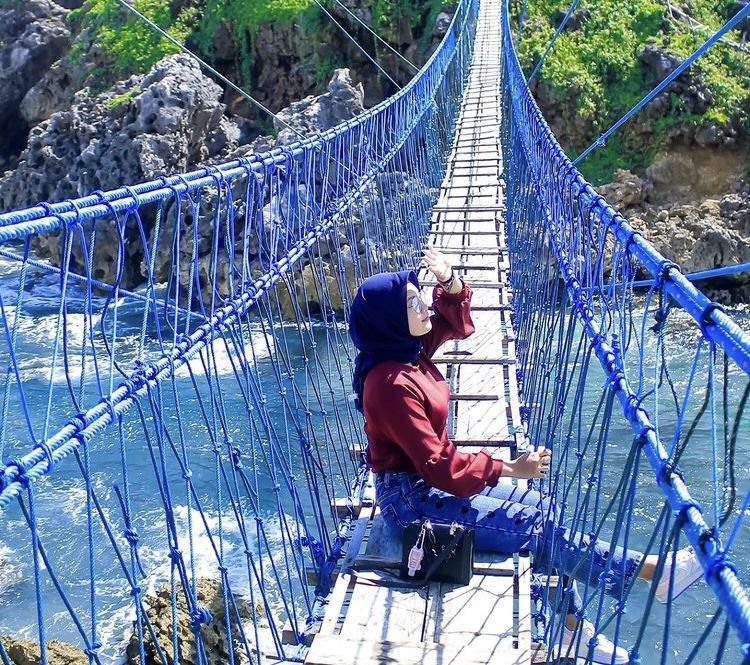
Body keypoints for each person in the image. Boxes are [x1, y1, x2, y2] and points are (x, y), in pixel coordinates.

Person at [348, 245, 704, 665]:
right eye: (413, 301)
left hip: (426, 486)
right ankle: (648, 573)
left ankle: (573, 627)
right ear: (389, 319)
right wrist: (508, 468)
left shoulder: (406, 350)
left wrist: (448, 279)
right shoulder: (389, 383)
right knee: (534, 527)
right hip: (411, 503)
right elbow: (437, 464)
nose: (425, 304)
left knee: (540, 505)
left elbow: (452, 322)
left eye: (421, 294)